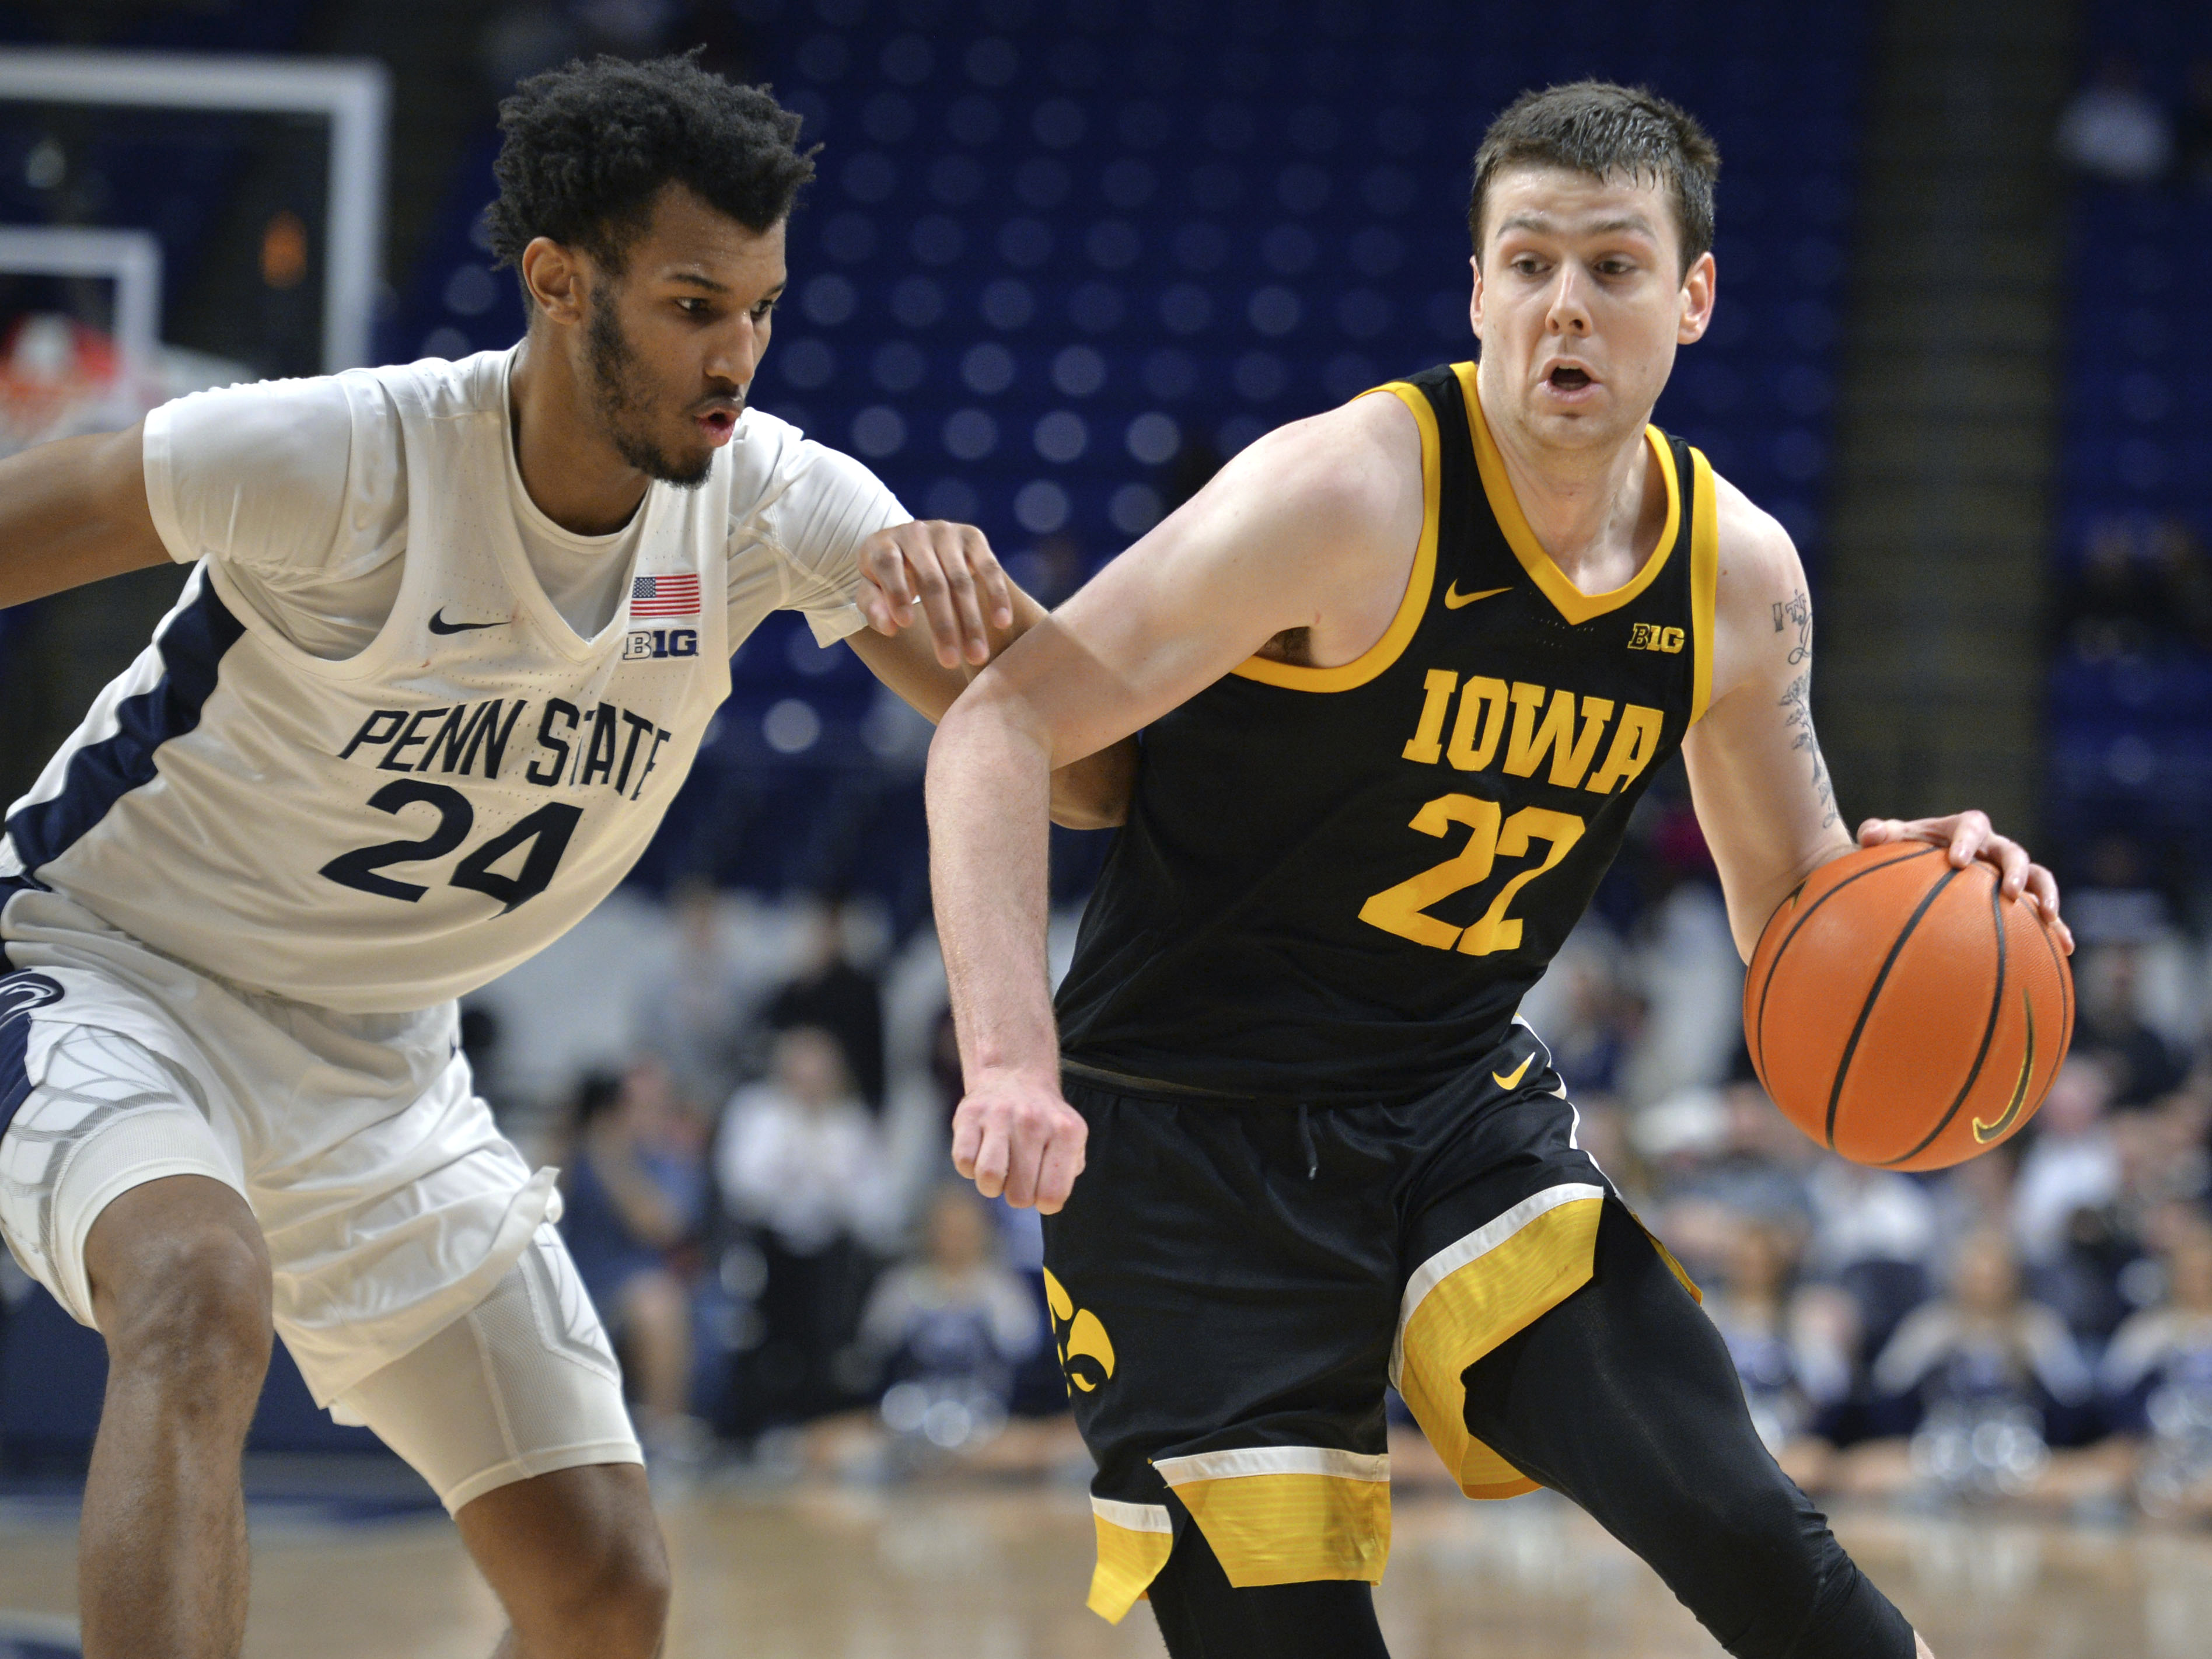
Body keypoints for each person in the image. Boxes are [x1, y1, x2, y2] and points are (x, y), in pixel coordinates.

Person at [924, 82, 2074, 1659]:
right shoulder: (1340, 494)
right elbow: (998, 723)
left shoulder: (1733, 579)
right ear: (1471, 289)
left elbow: (1792, 928)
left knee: (1745, 1526)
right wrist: (1007, 1059)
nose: (1561, 308)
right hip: (1181, 1148)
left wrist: (1911, 893)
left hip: (1447, 1113)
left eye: (1608, 267)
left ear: (1690, 296)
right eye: (1522, 263)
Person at [0, 54, 1126, 1659]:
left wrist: (1005, 634)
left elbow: (1078, 783)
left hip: (380, 1064)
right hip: (112, 975)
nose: (734, 355)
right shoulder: (343, 457)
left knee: (603, 1584)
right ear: (555, 281)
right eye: (688, 304)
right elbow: (43, 508)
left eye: (757, 307)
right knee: (192, 1282)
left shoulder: (771, 505)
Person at [557, 1064, 707, 1457]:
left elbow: (659, 1225)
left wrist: (613, 1158)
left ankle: (664, 1436)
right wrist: (568, 1133)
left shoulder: (669, 1161)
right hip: (572, 1280)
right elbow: (533, 1202)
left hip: (633, 1286)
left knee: (658, 1301)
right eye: (627, 1105)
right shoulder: (578, 1152)